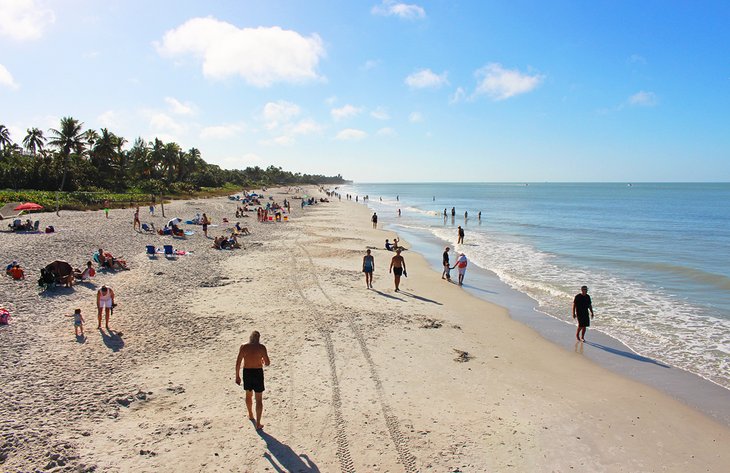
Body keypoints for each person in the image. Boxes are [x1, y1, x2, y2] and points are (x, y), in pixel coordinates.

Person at [235, 330, 271, 430]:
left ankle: (250, 414)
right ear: (258, 338)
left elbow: (238, 362)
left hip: (247, 372)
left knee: (248, 395)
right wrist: (262, 359)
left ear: (250, 337)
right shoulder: (261, 347)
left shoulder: (244, 346)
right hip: (257, 373)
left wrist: (237, 376)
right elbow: (267, 363)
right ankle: (258, 423)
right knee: (258, 399)